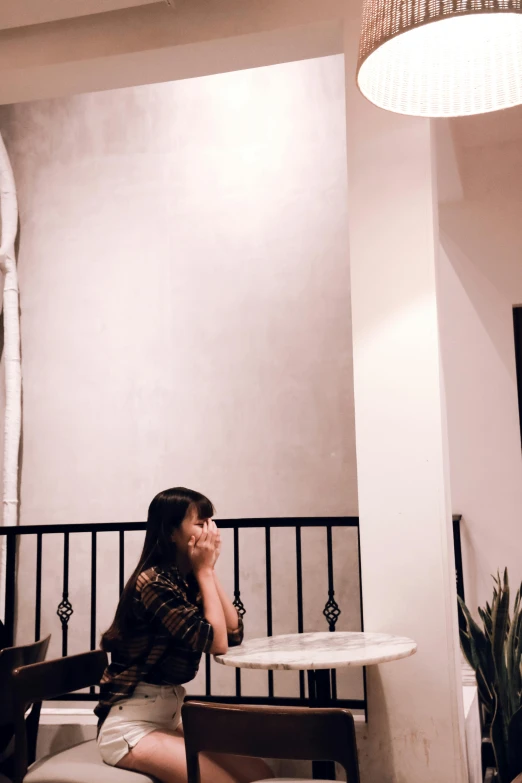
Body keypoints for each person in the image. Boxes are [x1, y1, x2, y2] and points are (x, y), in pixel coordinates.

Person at [95, 487, 273, 783]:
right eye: (200, 524)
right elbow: (217, 645)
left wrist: (208, 571)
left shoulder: (186, 579)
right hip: (131, 724)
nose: (211, 532)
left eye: (211, 522)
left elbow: (231, 633)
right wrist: (204, 571)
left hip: (170, 714)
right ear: (171, 533)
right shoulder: (153, 583)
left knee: (260, 774)